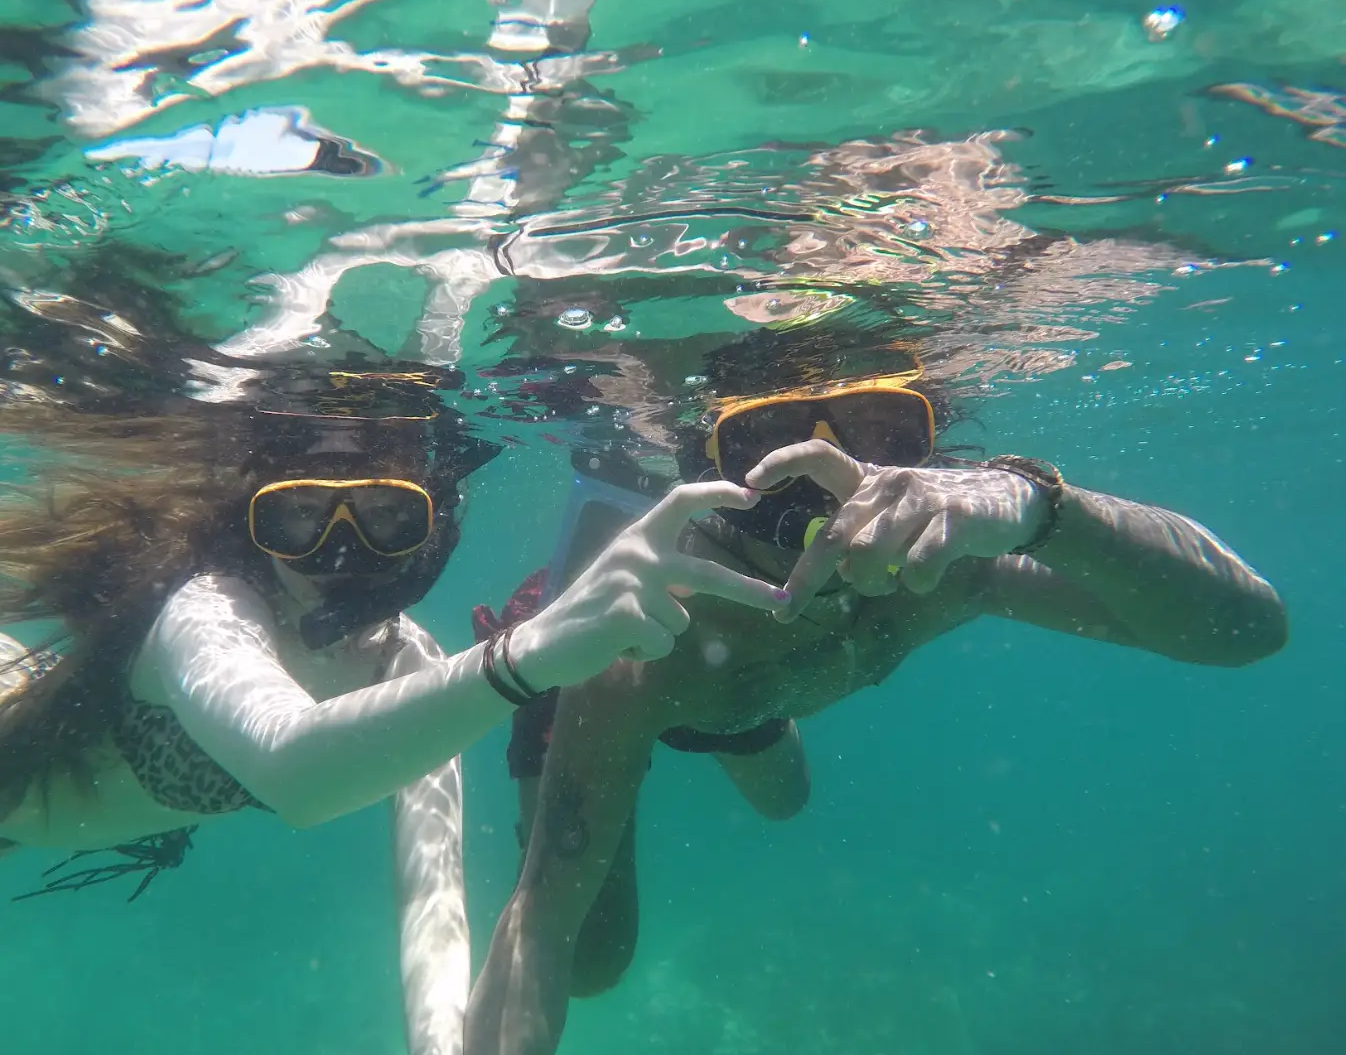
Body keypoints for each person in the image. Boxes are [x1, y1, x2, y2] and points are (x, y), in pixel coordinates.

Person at [462, 359, 1289, 1055]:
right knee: (596, 959)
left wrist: (1037, 507)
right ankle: (537, 661)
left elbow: (1246, 630)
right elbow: (542, 920)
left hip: (734, 691)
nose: (831, 480)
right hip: (646, 669)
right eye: (768, 447)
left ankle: (732, 714)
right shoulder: (638, 643)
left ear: (930, 452)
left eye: (882, 433)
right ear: (708, 467)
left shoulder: (957, 565)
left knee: (786, 801)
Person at [0, 291, 787, 897]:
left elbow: (433, 893)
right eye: (298, 516)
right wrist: (527, 656)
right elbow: (295, 770)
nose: (339, 551)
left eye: (386, 517)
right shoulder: (208, 611)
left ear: (430, 528)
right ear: (253, 521)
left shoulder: (407, 662)